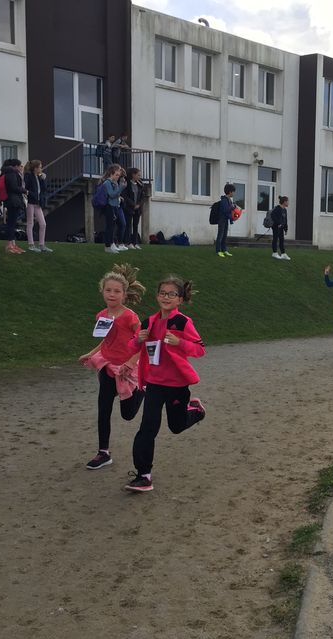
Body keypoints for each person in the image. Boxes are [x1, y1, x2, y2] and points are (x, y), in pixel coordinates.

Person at [125, 275, 207, 493]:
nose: (166, 297)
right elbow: (131, 347)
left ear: (180, 299)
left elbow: (200, 349)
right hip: (154, 384)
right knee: (147, 428)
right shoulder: (148, 323)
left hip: (177, 385)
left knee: (176, 426)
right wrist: (138, 340)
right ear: (157, 296)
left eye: (172, 294)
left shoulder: (183, 322)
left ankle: (196, 411)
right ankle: (143, 475)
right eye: (163, 293)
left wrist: (180, 343)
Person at [78, 264, 146, 470]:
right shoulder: (101, 315)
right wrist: (91, 353)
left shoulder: (130, 317)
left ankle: (142, 389)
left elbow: (143, 341)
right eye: (108, 290)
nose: (112, 294)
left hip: (126, 368)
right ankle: (103, 452)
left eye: (117, 291)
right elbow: (105, 340)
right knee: (103, 409)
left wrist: (131, 362)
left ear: (124, 294)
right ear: (102, 291)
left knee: (128, 414)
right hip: (107, 366)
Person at [24, 160, 51, 253]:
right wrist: (32, 195)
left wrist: (43, 179)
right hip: (31, 202)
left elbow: (44, 189)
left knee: (43, 224)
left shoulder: (38, 177)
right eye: (40, 167)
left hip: (38, 203)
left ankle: (42, 245)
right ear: (35, 168)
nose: (41, 169)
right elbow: (26, 188)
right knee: (30, 223)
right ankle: (31, 245)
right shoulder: (29, 176)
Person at [2, 158, 27, 254]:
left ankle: (13, 244)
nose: (21, 168)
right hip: (13, 201)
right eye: (20, 166)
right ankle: (10, 245)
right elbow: (14, 187)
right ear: (15, 166)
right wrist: (24, 190)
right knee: (11, 223)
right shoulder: (11, 174)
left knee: (12, 223)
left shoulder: (8, 173)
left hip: (12, 200)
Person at [121, 167, 144, 250]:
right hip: (129, 208)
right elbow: (125, 196)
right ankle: (128, 242)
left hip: (138, 208)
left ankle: (135, 242)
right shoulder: (127, 184)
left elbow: (142, 196)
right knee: (128, 225)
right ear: (133, 175)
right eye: (138, 175)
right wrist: (133, 204)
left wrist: (139, 205)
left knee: (135, 225)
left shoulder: (140, 184)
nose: (139, 176)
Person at [215, 183, 236, 258]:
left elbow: (229, 211)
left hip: (226, 220)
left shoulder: (229, 200)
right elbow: (225, 210)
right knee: (220, 236)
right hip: (221, 220)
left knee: (224, 236)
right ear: (230, 192)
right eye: (233, 192)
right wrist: (232, 207)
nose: (234, 193)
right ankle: (218, 251)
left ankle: (224, 250)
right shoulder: (224, 200)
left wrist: (233, 207)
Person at [270, 195, 290, 260]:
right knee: (275, 239)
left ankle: (283, 254)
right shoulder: (277, 208)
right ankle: (274, 253)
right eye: (287, 201)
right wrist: (278, 223)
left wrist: (286, 229)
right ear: (284, 202)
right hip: (276, 227)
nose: (288, 203)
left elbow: (285, 220)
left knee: (281, 240)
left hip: (281, 228)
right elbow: (272, 215)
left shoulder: (285, 210)